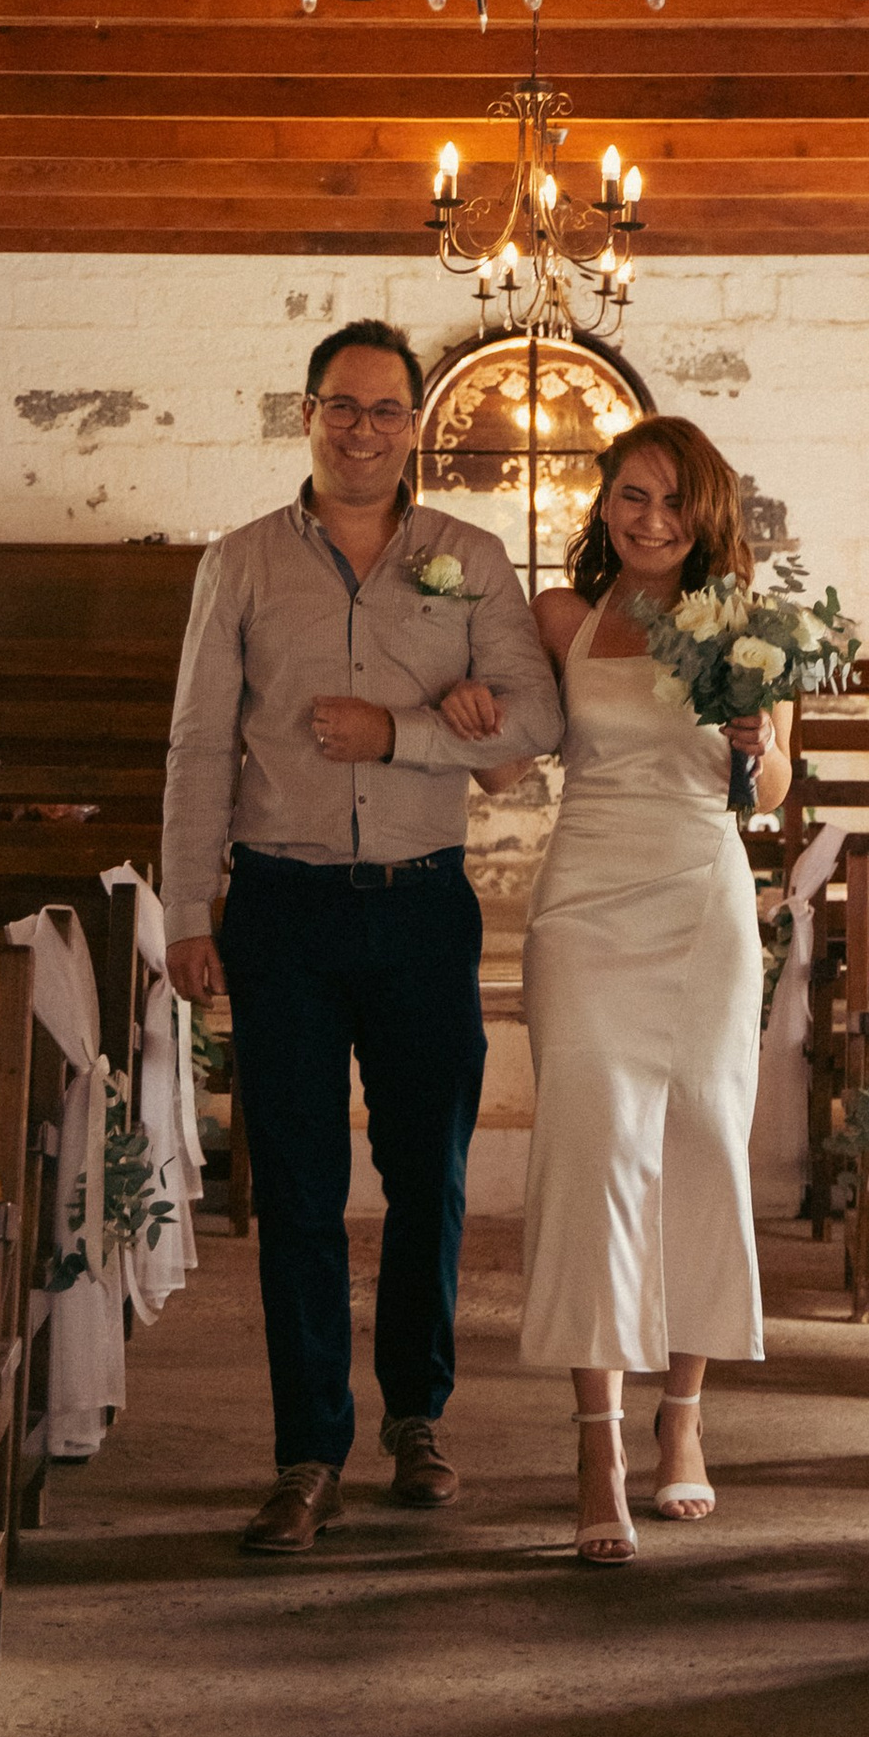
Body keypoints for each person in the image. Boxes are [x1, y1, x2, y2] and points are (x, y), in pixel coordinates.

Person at [161, 320, 564, 1556]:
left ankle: (417, 1418)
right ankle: (307, 1451)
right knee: (295, 1187)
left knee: (427, 1174)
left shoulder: (465, 562)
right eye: (342, 406)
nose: (363, 430)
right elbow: (197, 743)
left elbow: (535, 719)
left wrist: (404, 735)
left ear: (415, 428)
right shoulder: (238, 564)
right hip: (280, 906)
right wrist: (185, 912)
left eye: (388, 410)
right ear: (306, 415)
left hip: (421, 903)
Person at [505, 415, 789, 1564]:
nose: (652, 520)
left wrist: (753, 741)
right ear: (605, 501)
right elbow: (519, 746)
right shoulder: (559, 617)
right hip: (583, 899)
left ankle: (682, 1419)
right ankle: (596, 1443)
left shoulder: (748, 625)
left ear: (705, 514)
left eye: (673, 501)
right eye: (632, 495)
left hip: (701, 898)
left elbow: (772, 788)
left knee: (702, 1143)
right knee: (590, 1149)